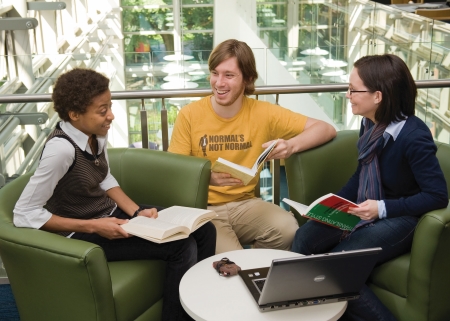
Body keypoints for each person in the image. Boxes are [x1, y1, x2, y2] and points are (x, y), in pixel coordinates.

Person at [13, 68, 216, 321]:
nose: (111, 116)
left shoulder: (95, 134)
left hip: (108, 215)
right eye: (102, 110)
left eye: (109, 106)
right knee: (181, 246)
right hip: (79, 234)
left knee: (205, 230)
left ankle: (202, 305)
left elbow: (105, 178)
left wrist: (137, 212)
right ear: (75, 114)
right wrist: (94, 226)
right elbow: (24, 214)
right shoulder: (61, 151)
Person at [291, 54, 448, 321]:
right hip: (368, 207)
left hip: (402, 216)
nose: (347, 95)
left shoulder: (414, 136)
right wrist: (331, 205)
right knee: (304, 239)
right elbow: (362, 174)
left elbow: (437, 195)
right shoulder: (370, 124)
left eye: (353, 90)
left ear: (378, 96)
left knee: (336, 270)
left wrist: (382, 209)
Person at [168, 39, 336, 254]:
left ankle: (257, 267)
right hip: (204, 208)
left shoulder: (264, 113)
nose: (219, 83)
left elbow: (325, 128)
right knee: (233, 261)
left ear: (248, 79)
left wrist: (291, 146)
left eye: (229, 75)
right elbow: (176, 172)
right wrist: (206, 177)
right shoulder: (189, 115)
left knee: (287, 229)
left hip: (245, 204)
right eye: (215, 73)